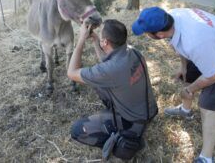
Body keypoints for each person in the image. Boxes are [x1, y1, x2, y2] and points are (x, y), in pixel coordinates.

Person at [132, 7, 215, 163]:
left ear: (159, 34)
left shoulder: (195, 42)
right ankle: (185, 110)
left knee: (207, 105)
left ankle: (206, 158)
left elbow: (213, 75)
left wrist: (189, 89)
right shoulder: (172, 17)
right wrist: (184, 67)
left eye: (147, 33)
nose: (146, 35)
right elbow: (179, 44)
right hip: (211, 46)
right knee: (188, 73)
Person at [67, 19, 158, 160]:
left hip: (133, 122)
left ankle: (120, 140)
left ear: (106, 43)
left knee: (77, 130)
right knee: (98, 84)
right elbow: (109, 62)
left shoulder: (110, 71)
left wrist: (80, 41)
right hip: (148, 111)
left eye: (102, 39)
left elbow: (72, 73)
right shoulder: (133, 52)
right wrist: (96, 40)